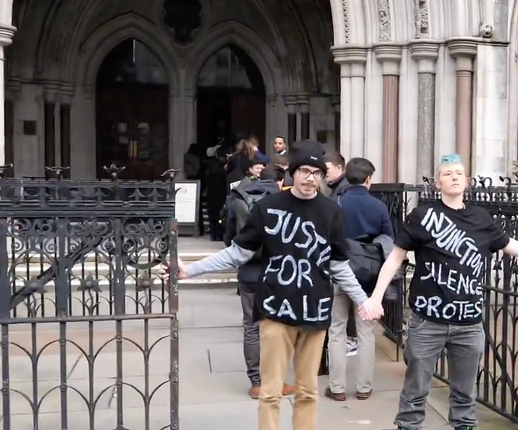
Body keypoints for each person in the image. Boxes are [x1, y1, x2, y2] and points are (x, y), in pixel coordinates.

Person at [165, 140, 384, 430]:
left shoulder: (331, 211)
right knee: (270, 392)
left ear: (323, 176)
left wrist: (362, 300)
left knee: (308, 391)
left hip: (315, 312)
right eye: (304, 171)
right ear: (292, 172)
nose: (309, 178)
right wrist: (190, 270)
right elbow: (238, 253)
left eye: (316, 172)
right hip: (276, 309)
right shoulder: (268, 208)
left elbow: (338, 265)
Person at [367, 154, 518, 430]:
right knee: (415, 391)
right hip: (427, 321)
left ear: (467, 181)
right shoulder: (423, 216)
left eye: (459, 173)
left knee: (465, 395)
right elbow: (395, 258)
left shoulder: (480, 217)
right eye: (447, 173)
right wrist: (375, 297)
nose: (454, 177)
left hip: (468, 323)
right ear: (437, 183)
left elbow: (505, 242)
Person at [223, 165, 296, 400]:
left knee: (251, 327)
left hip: (248, 273)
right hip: (277, 272)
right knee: (278, 326)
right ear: (278, 181)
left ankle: (256, 382)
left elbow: (228, 238)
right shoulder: (282, 200)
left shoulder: (236, 198)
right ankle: (277, 380)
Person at [326, 157, 394, 402]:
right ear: (368, 179)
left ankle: (336, 387)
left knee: (337, 330)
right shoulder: (378, 206)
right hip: (368, 274)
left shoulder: (336, 203)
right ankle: (364, 387)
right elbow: (389, 239)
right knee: (366, 332)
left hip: (341, 270)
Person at [322, 151, 357, 355]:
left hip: (344, 252)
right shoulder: (336, 190)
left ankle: (350, 339)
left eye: (327, 170)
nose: (323, 174)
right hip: (341, 251)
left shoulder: (342, 192)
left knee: (346, 299)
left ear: (340, 168)